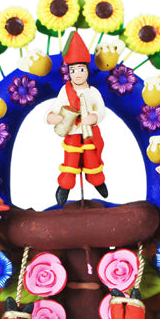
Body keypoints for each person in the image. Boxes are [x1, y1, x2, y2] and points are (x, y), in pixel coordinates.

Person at [46, 30, 108, 206]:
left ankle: (97, 181)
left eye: (81, 69)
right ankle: (64, 187)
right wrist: (52, 117)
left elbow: (101, 110)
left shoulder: (93, 92)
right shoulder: (65, 92)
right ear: (69, 72)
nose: (78, 74)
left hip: (90, 133)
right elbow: (54, 108)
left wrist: (95, 116)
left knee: (92, 159)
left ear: (87, 71)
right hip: (72, 132)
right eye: (73, 70)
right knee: (71, 161)